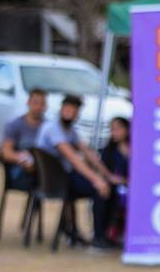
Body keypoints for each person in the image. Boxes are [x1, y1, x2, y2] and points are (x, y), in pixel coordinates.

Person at [36, 94, 120, 249]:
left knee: (110, 186)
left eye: (74, 111)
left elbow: (88, 154)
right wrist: (97, 180)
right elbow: (74, 159)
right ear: (61, 109)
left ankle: (106, 234)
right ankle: (98, 237)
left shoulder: (70, 131)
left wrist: (107, 175)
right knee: (100, 189)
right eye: (68, 110)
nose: (71, 114)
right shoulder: (53, 129)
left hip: (64, 178)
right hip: (55, 182)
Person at [0, 88, 47, 190]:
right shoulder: (14, 125)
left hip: (43, 170)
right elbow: (6, 152)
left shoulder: (48, 127)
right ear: (28, 102)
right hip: (21, 170)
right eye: (35, 103)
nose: (39, 107)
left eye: (42, 104)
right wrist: (21, 159)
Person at [99, 117, 130, 242]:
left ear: (127, 130)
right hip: (116, 188)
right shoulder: (108, 151)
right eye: (112, 129)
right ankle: (110, 231)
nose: (114, 132)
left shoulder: (138, 149)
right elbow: (105, 173)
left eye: (117, 129)